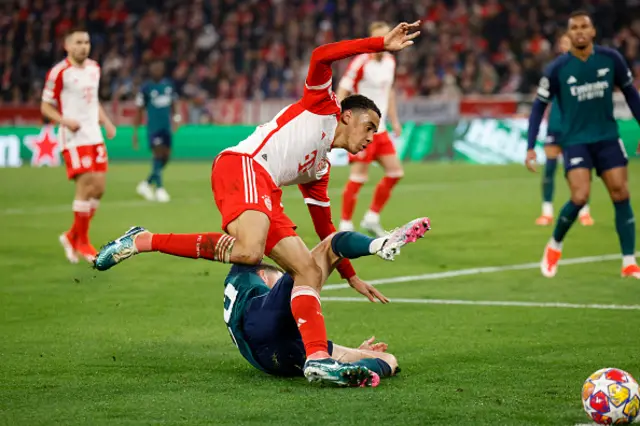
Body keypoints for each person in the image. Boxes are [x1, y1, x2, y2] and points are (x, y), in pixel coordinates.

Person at [94, 22, 423, 384]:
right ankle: (144, 240)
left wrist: (351, 276)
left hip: (266, 192)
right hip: (245, 165)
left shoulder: (319, 168)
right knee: (250, 252)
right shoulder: (321, 106)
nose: (372, 136)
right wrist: (379, 43)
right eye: (370, 126)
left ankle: (317, 359)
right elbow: (321, 55)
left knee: (308, 271)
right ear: (347, 116)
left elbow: (327, 232)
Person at [222, 225, 422, 387]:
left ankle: (352, 370)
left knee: (388, 359)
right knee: (330, 246)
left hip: (269, 361)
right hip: (268, 326)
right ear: (263, 276)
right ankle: (380, 243)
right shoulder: (252, 271)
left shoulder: (239, 278)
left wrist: (355, 351)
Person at [526, 11, 640, 279]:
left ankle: (628, 261)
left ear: (592, 32)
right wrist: (530, 145)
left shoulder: (611, 59)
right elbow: (537, 107)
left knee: (621, 193)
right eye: (573, 28)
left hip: (607, 138)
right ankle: (554, 245)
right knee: (579, 196)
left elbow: (631, 95)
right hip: (576, 141)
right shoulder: (557, 69)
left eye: (583, 27)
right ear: (568, 35)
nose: (579, 31)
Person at [41, 28, 116, 264]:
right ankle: (82, 242)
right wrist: (65, 121)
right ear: (67, 46)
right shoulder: (59, 72)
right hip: (74, 137)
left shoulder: (94, 68)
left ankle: (71, 236)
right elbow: (45, 106)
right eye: (78, 42)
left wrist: (107, 121)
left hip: (94, 134)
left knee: (100, 188)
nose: (83, 46)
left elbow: (93, 102)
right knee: (85, 186)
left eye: (87, 41)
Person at [337, 21, 404, 237]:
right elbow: (343, 89)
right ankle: (345, 224)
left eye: (388, 36)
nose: (386, 41)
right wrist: (341, 119)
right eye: (381, 38)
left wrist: (394, 120)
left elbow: (389, 92)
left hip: (382, 129)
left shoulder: (390, 62)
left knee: (395, 172)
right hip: (362, 128)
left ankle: (371, 217)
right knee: (358, 178)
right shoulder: (361, 62)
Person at [535, 33, 594, 227]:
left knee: (578, 171)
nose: (564, 46)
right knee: (549, 169)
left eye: (566, 42)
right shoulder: (553, 70)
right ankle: (547, 211)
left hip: (576, 128)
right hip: (555, 126)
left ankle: (584, 211)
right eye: (562, 43)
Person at [133, 59, 180, 203]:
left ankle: (146, 184)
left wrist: (176, 118)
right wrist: (135, 132)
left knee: (165, 158)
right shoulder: (146, 88)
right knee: (158, 154)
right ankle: (160, 189)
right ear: (150, 71)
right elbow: (139, 109)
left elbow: (173, 103)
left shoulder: (168, 85)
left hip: (166, 127)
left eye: (159, 68)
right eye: (154, 68)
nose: (157, 71)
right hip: (153, 128)